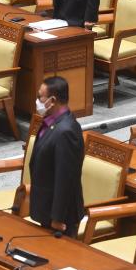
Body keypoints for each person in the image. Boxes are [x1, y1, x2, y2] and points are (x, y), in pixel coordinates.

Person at [29, 77, 84, 237]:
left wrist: (57, 217)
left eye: (40, 97)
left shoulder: (66, 131)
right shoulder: (51, 122)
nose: (37, 101)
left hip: (60, 218)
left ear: (52, 101)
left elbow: (65, 178)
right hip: (45, 208)